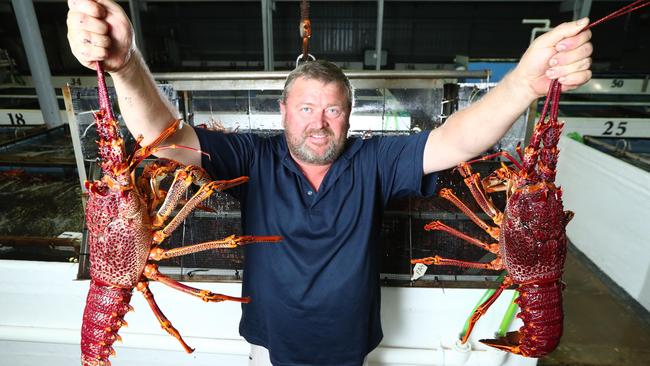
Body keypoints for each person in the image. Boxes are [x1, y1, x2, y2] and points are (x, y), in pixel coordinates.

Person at [67, 1, 593, 365]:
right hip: (267, 347)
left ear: (349, 116)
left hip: (349, 348)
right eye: (306, 109)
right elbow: (165, 139)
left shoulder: (374, 160)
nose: (319, 123)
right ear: (283, 112)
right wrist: (124, 65)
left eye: (333, 111)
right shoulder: (253, 154)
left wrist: (525, 83)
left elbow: (456, 141)